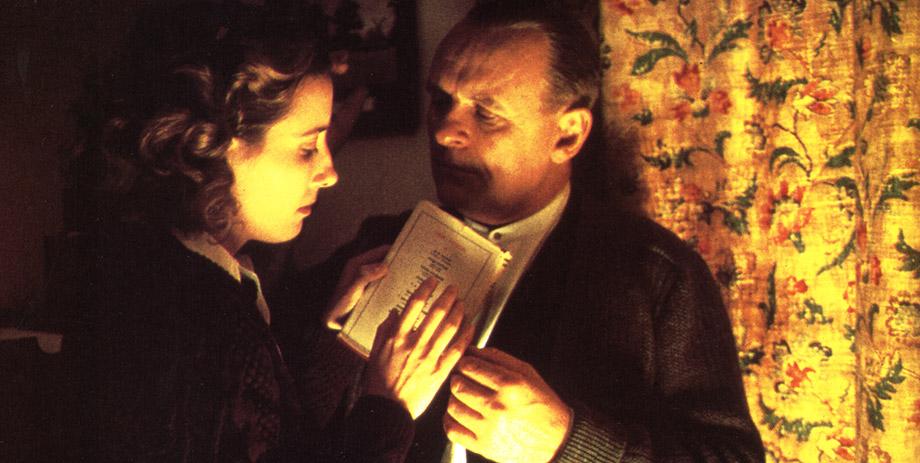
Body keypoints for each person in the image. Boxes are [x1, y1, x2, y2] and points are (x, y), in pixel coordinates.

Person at [270, 2, 765, 462]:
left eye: (485, 113)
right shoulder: (377, 246)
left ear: (568, 134)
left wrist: (570, 443)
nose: (443, 132)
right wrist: (332, 348)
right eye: (440, 101)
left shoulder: (656, 276)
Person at [46, 3, 472, 462]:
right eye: (307, 148)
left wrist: (332, 347)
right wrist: (388, 405)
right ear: (216, 147)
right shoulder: (202, 317)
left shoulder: (168, 272)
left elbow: (264, 436)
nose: (329, 174)